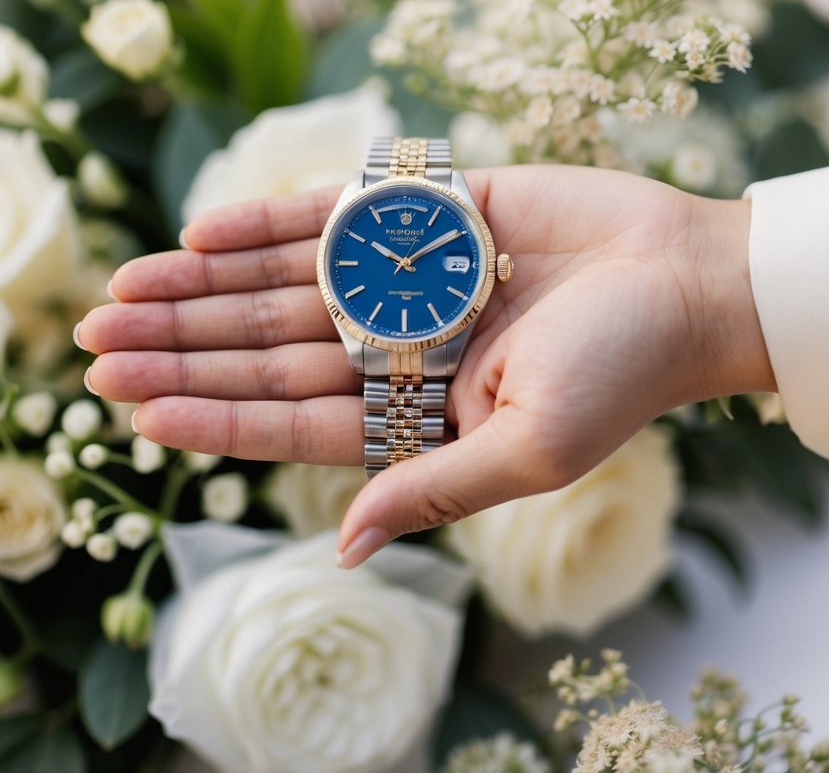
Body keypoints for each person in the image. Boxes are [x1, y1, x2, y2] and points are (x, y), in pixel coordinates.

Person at [76, 164, 826, 570]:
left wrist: (708, 291)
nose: (403, 258)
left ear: (491, 267)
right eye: (391, 255)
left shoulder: (479, 275)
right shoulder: (382, 282)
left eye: (418, 252)